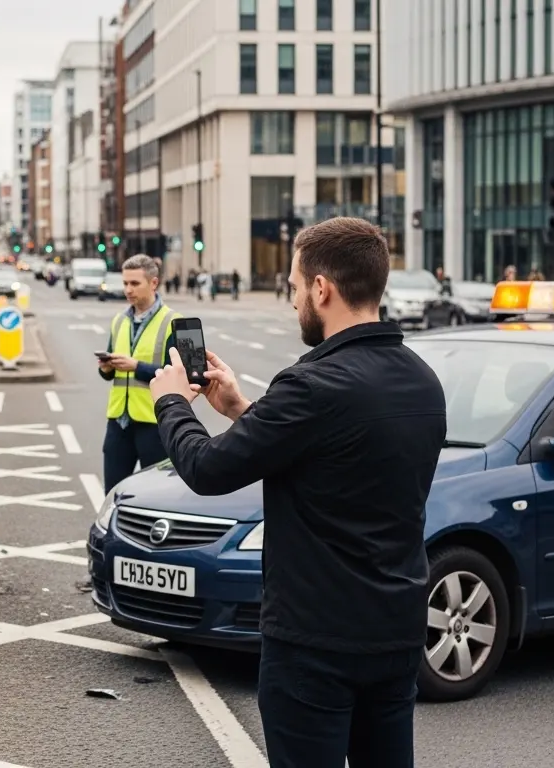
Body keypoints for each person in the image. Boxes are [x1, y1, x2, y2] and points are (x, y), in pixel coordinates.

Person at [147, 217, 446, 768]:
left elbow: (207, 469)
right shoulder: (422, 381)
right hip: (396, 632)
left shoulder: (311, 385)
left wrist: (170, 402)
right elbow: (337, 449)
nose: (292, 303)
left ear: (322, 289)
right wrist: (240, 408)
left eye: (292, 287)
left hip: (315, 644)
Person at [98, 254, 180, 492]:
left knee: (155, 496)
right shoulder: (119, 321)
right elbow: (111, 372)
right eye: (125, 283)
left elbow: (180, 375)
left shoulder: (173, 321)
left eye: (135, 284)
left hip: (153, 424)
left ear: (153, 283)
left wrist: (136, 367)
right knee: (113, 494)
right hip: (118, 422)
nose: (128, 290)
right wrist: (106, 368)